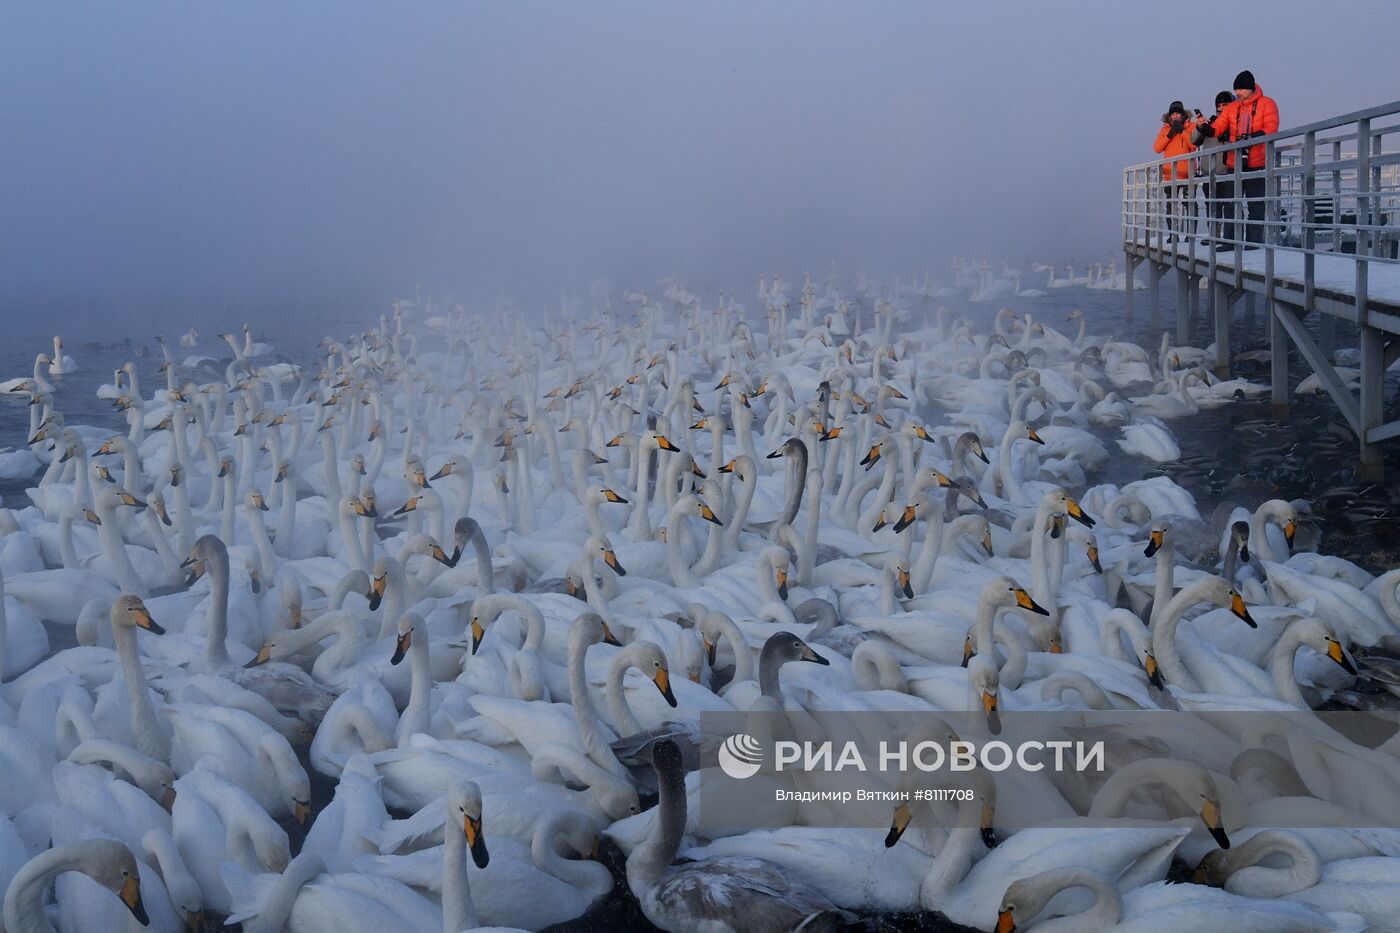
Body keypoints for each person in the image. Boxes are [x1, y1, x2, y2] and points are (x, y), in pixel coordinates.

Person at [1199, 70, 1279, 248]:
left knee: (1255, 204)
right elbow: (1218, 128)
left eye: (1241, 89)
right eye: (1236, 90)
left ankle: (1253, 242)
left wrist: (1253, 137)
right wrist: (1207, 129)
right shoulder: (1232, 108)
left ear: (1250, 88)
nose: (1238, 93)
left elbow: (1271, 127)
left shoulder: (1267, 104)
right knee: (1231, 204)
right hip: (1234, 163)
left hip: (1256, 162)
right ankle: (1231, 241)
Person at [1193, 91, 1236, 243]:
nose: (1222, 107)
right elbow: (1195, 141)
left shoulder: (1235, 122)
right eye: (1219, 105)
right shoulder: (1209, 123)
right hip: (1208, 172)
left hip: (1226, 170)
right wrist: (1199, 127)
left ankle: (1229, 237)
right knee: (1212, 204)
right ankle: (1214, 235)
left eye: (1226, 104)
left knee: (1229, 205)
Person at [1153, 100, 1197, 240]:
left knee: (1190, 204)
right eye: (1173, 114)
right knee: (1171, 206)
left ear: (1183, 114)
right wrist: (1170, 134)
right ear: (1169, 116)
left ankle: (1191, 236)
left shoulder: (1191, 126)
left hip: (1188, 174)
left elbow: (1194, 144)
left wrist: (1183, 131)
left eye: (1178, 113)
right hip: (1170, 175)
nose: (1176, 116)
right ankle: (1173, 235)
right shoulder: (1165, 129)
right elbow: (1157, 148)